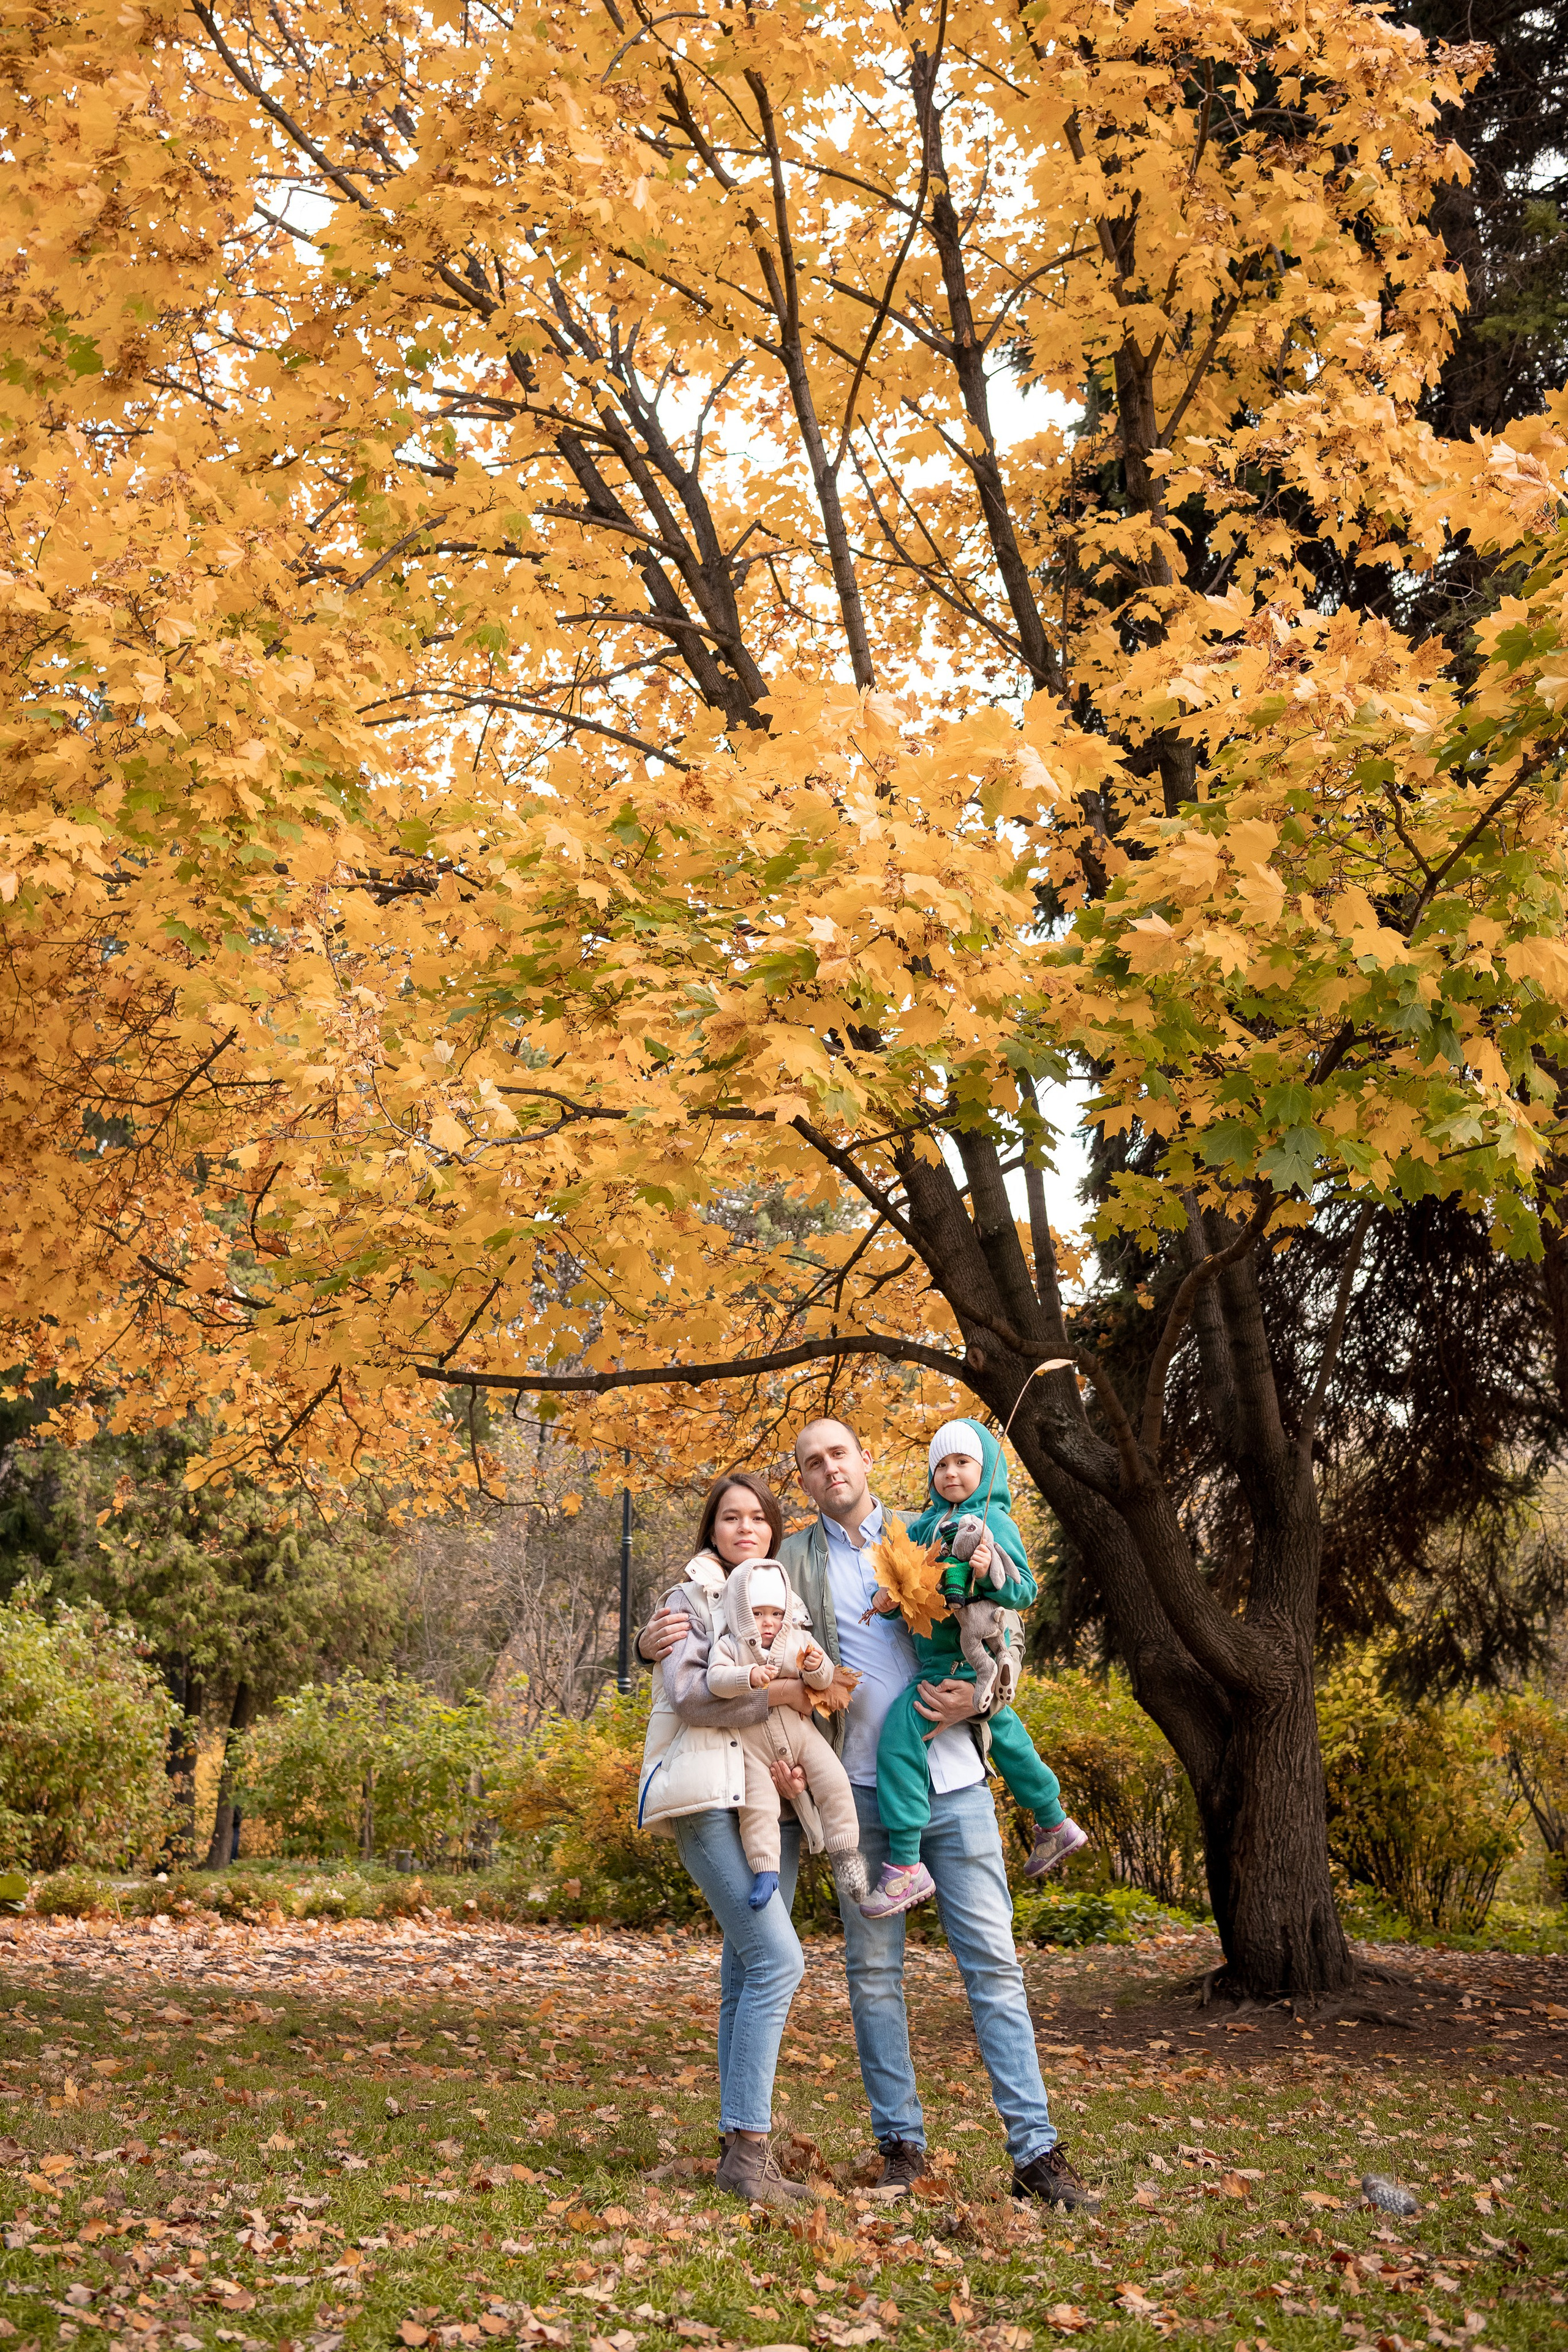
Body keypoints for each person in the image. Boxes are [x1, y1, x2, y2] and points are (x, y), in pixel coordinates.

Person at [641, 1419, 1096, 2212]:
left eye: (837, 1454)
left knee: (993, 1968)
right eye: (811, 1464)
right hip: (853, 1789)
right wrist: (654, 1641)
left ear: (864, 1461)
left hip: (955, 1787)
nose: (828, 1470)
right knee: (874, 1980)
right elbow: (743, 1623)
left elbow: (1003, 1623)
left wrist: (987, 1695)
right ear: (805, 1485)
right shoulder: (795, 1563)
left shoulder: (924, 1532)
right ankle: (901, 2149)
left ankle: (1037, 2154)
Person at [636, 1470, 821, 2208]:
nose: (746, 1528)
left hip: (772, 1800)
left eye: (758, 1519)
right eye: (730, 1518)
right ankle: (749, 2150)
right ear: (711, 1530)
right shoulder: (688, 1599)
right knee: (779, 1960)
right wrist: (780, 1694)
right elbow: (687, 1697)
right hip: (709, 1797)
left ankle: (739, 2151)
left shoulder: (784, 1599)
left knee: (746, 1973)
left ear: (772, 1531)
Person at [861, 1418, 1087, 1916]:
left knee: (901, 1735)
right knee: (1004, 1733)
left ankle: (904, 1865)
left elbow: (1023, 1591)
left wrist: (990, 1572)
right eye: (940, 1465)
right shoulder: (922, 1527)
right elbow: (908, 1585)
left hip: (970, 1653)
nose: (951, 1473)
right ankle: (1052, 1820)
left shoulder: (995, 1521)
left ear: (985, 1469)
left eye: (963, 1462)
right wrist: (888, 1596)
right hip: (939, 1654)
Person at [704, 1556, 868, 1911]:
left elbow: (821, 1683)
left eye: (776, 1614)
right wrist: (745, 1678)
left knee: (834, 1782)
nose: (769, 1623)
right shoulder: (730, 1646)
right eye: (758, 1613)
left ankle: (846, 1852)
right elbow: (715, 1681)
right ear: (741, 1611)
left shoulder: (798, 1639)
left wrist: (817, 1667)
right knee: (757, 1806)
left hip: (802, 1735)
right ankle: (766, 1870)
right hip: (753, 1748)